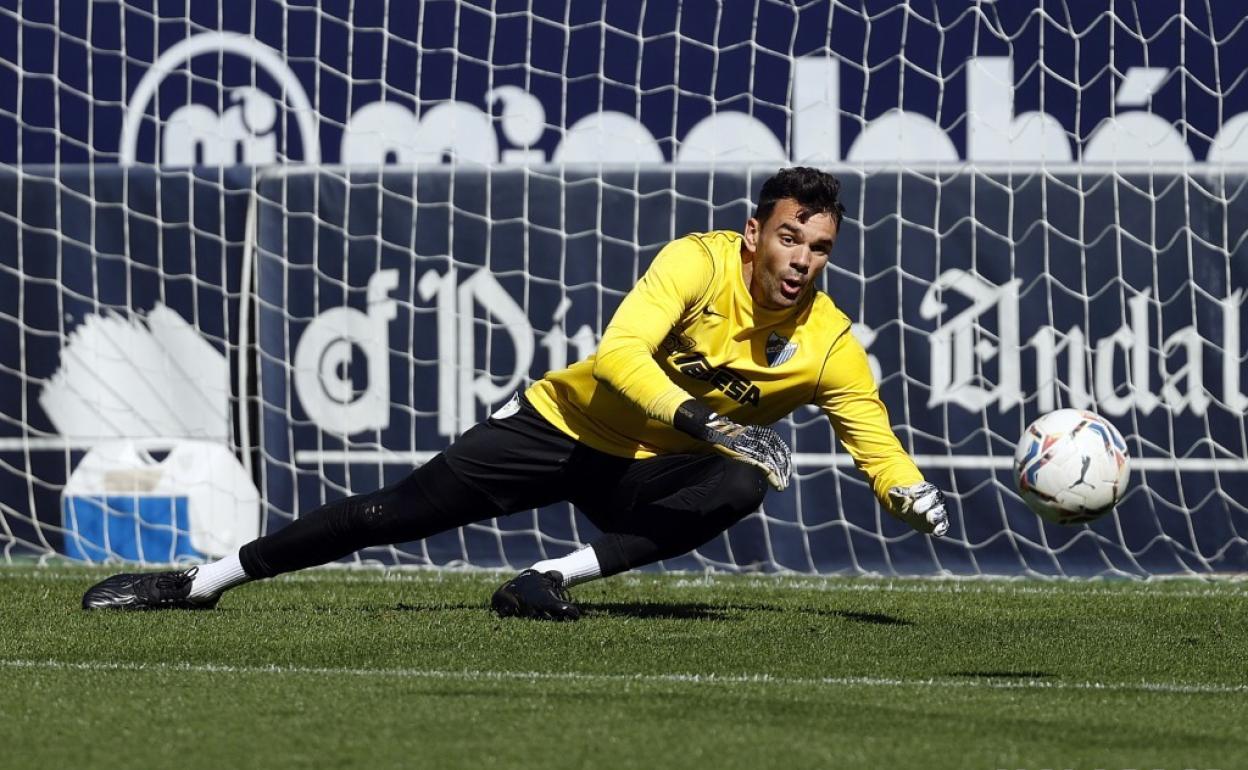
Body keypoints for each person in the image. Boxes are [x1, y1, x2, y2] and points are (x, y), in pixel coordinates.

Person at [82, 167, 950, 621]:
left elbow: (869, 430)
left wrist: (904, 490)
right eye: (790, 237)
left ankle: (543, 579)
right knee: (394, 514)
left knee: (747, 478)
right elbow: (618, 358)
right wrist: (703, 416)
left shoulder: (827, 341)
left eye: (820, 246)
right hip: (558, 424)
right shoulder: (698, 260)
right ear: (755, 232)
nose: (801, 259)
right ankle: (202, 581)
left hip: (641, 471)